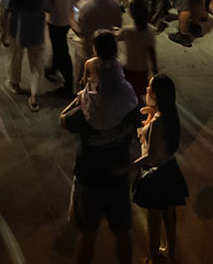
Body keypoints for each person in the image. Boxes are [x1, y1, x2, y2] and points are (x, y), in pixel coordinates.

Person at [63, 30, 141, 264]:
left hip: (89, 178)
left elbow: (64, 120)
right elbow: (138, 124)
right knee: (122, 232)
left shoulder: (87, 106)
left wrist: (78, 98)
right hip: (117, 177)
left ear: (95, 52)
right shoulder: (128, 98)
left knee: (87, 233)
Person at [134, 74, 188, 264]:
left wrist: (128, 166)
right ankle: (171, 254)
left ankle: (153, 258)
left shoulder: (157, 122)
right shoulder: (170, 114)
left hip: (155, 174)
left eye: (149, 89)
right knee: (170, 218)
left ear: (156, 95)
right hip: (170, 169)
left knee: (153, 221)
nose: (146, 91)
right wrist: (150, 113)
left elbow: (149, 154)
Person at [2, 0, 50, 109]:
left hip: (18, 28)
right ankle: (34, 95)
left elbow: (5, 9)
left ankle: (14, 83)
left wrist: (4, 30)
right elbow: (47, 7)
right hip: (36, 28)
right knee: (36, 63)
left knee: (15, 58)